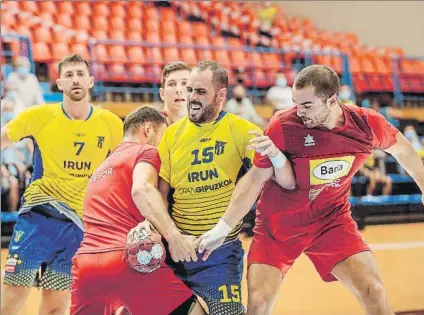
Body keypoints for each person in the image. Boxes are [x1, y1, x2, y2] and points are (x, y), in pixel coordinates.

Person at [198, 65, 424, 315]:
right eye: (296, 103)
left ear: (332, 100)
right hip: (278, 226)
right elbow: (254, 179)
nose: (299, 111)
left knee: (375, 291)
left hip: (331, 221)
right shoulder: (284, 125)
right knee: (259, 304)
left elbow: (402, 150)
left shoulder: (365, 124)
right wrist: (223, 227)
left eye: (307, 105)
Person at [158, 60, 295, 315]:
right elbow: (161, 196)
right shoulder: (171, 135)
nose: (191, 98)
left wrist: (276, 156)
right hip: (178, 250)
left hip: (220, 254)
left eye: (201, 92)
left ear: (221, 95)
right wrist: (169, 237)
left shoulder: (241, 130)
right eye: (190, 90)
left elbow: (288, 181)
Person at [0, 54, 123, 315]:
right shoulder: (39, 116)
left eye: (80, 74)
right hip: (38, 217)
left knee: (56, 306)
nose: (75, 80)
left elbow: (124, 169)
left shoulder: (110, 123)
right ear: (59, 83)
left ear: (90, 81)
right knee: (12, 298)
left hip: (77, 226)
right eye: (69, 75)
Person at [71, 106, 204, 315]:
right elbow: (142, 189)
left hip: (85, 266)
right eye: (163, 136)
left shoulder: (101, 168)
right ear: (148, 129)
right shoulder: (146, 151)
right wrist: (175, 237)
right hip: (126, 259)